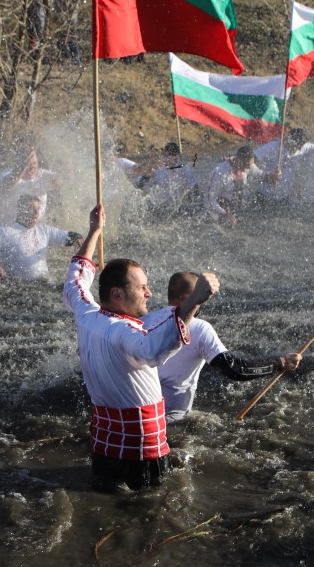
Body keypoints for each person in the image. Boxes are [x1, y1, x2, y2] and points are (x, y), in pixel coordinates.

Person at [63, 205, 218, 489]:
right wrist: (194, 301)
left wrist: (94, 231)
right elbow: (153, 351)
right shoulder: (124, 331)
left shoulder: (87, 314)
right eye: (142, 287)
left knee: (105, 502)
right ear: (117, 294)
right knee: (148, 514)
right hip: (141, 450)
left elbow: (76, 279)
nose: (149, 293)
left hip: (103, 443)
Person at [144, 272, 301, 423]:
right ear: (194, 296)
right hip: (172, 421)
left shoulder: (142, 321)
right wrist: (280, 362)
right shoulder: (199, 328)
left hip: (140, 417)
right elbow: (235, 369)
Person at [0, 195, 80, 280]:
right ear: (20, 210)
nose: (36, 213)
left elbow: (69, 237)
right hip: (19, 289)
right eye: (31, 208)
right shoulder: (5, 232)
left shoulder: (44, 231)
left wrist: (78, 238)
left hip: (44, 287)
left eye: (38, 209)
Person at [0, 143, 57, 225]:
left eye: (35, 163)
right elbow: (6, 187)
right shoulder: (6, 174)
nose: (32, 167)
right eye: (28, 165)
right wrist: (21, 168)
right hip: (10, 227)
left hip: (35, 228)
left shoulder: (42, 175)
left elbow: (61, 181)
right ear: (18, 164)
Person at [204, 146, 257, 225]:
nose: (249, 168)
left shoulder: (247, 166)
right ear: (239, 159)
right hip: (217, 213)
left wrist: (272, 176)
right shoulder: (220, 173)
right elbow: (209, 200)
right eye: (247, 165)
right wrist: (225, 214)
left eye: (250, 165)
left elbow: (260, 174)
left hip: (236, 210)